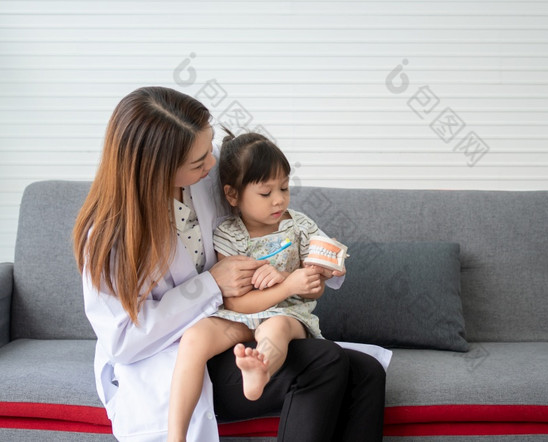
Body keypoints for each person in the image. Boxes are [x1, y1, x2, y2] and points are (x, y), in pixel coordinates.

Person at [72, 86, 387, 442]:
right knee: (326, 363)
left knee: (368, 373)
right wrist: (211, 284)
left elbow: (271, 218)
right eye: (199, 162)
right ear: (155, 170)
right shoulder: (111, 236)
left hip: (240, 321)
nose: (212, 164)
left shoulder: (206, 174)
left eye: (210, 150)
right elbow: (124, 340)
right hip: (175, 356)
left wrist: (317, 263)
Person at [167, 131, 343, 440]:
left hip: (288, 313)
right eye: (266, 193)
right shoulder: (227, 234)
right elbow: (235, 303)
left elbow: (322, 269)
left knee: (275, 331)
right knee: (194, 338)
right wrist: (288, 284)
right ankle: (175, 436)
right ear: (233, 195)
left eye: (285, 188)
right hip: (240, 314)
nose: (279, 199)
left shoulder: (299, 226)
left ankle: (260, 371)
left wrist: (318, 277)